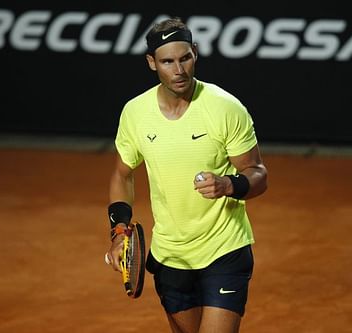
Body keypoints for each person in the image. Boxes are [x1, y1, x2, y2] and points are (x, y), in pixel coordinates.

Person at [105, 17, 268, 333]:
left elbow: (258, 174)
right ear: (152, 63)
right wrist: (119, 230)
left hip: (225, 250)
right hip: (170, 255)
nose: (178, 70)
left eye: (185, 58)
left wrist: (229, 184)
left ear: (195, 53)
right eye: (167, 61)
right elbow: (122, 175)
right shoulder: (135, 113)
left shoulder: (225, 108)